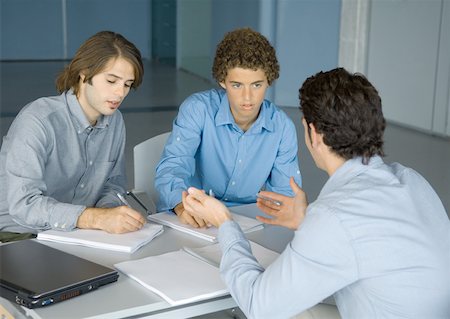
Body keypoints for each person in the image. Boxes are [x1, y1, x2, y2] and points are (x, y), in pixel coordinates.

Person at [183, 68, 450, 318]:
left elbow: (258, 305)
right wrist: (307, 220)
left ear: (314, 133)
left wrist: (225, 223)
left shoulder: (334, 217)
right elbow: (373, 243)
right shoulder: (412, 180)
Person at [0, 31, 147, 241]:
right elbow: (25, 205)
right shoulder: (38, 120)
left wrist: (110, 213)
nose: (120, 93)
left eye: (127, 84)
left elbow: (113, 184)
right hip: (16, 235)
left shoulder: (115, 121)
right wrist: (96, 219)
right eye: (111, 80)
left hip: (75, 233)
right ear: (84, 74)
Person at [155, 28, 302, 228]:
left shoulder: (283, 127)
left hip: (247, 222)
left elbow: (285, 196)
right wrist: (181, 206)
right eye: (237, 85)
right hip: (197, 216)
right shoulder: (198, 109)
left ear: (269, 80)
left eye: (257, 85)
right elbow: (173, 167)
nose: (247, 97)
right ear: (222, 81)